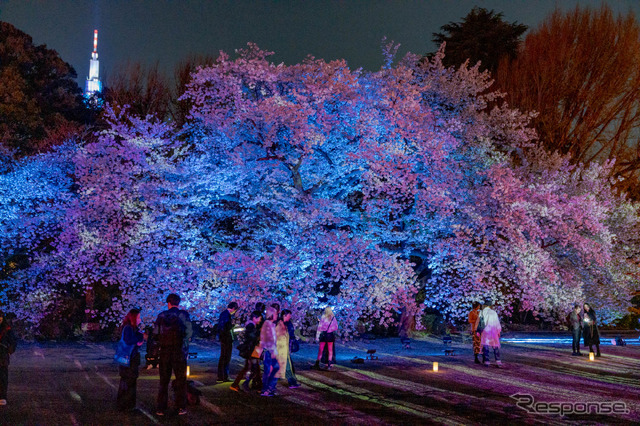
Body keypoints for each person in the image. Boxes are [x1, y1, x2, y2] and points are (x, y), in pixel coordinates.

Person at [153, 293, 192, 416]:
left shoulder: (161, 316)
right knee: (181, 380)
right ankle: (181, 406)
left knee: (163, 381)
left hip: (164, 351)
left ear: (168, 303)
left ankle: (161, 408)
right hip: (179, 352)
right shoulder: (183, 315)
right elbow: (189, 333)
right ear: (178, 303)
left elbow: (155, 334)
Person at [116, 308, 146, 412]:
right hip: (129, 359)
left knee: (128, 381)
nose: (140, 319)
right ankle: (126, 405)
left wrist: (140, 337)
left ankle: (126, 404)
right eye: (138, 317)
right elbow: (129, 340)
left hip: (130, 359)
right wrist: (139, 340)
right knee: (129, 381)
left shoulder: (132, 328)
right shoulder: (128, 328)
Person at [230, 311, 262, 392]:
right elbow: (251, 336)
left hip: (251, 350)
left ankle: (236, 384)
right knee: (253, 368)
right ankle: (248, 385)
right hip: (250, 350)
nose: (260, 320)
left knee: (251, 367)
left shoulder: (251, 325)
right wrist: (258, 334)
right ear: (254, 318)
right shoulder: (250, 326)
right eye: (259, 318)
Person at [475, 301, 502, 367]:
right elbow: (497, 322)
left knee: (485, 346)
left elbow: (479, 322)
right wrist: (498, 331)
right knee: (495, 346)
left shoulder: (482, 312)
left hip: (485, 331)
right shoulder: (494, 312)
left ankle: (487, 361)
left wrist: (477, 331)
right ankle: (498, 361)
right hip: (493, 331)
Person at [259, 307, 279, 396]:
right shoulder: (267, 324)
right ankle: (268, 389)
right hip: (269, 351)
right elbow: (268, 339)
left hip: (270, 351)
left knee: (271, 369)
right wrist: (273, 352)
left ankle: (268, 388)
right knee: (271, 369)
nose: (277, 316)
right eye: (275, 314)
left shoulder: (270, 324)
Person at [217, 301, 238, 382]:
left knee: (224, 357)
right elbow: (225, 327)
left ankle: (222, 376)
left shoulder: (224, 314)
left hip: (224, 338)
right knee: (225, 357)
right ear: (233, 308)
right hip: (226, 339)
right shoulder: (226, 315)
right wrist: (233, 326)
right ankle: (223, 376)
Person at [278, 309, 300, 388]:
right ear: (284, 315)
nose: (290, 317)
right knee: (287, 365)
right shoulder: (282, 324)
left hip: (282, 347)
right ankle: (292, 382)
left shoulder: (281, 323)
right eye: (289, 315)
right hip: (283, 348)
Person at [0, 311, 17, 406]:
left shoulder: (7, 329)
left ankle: (2, 396)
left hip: (2, 355)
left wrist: (10, 350)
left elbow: (13, 341)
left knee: (2, 376)